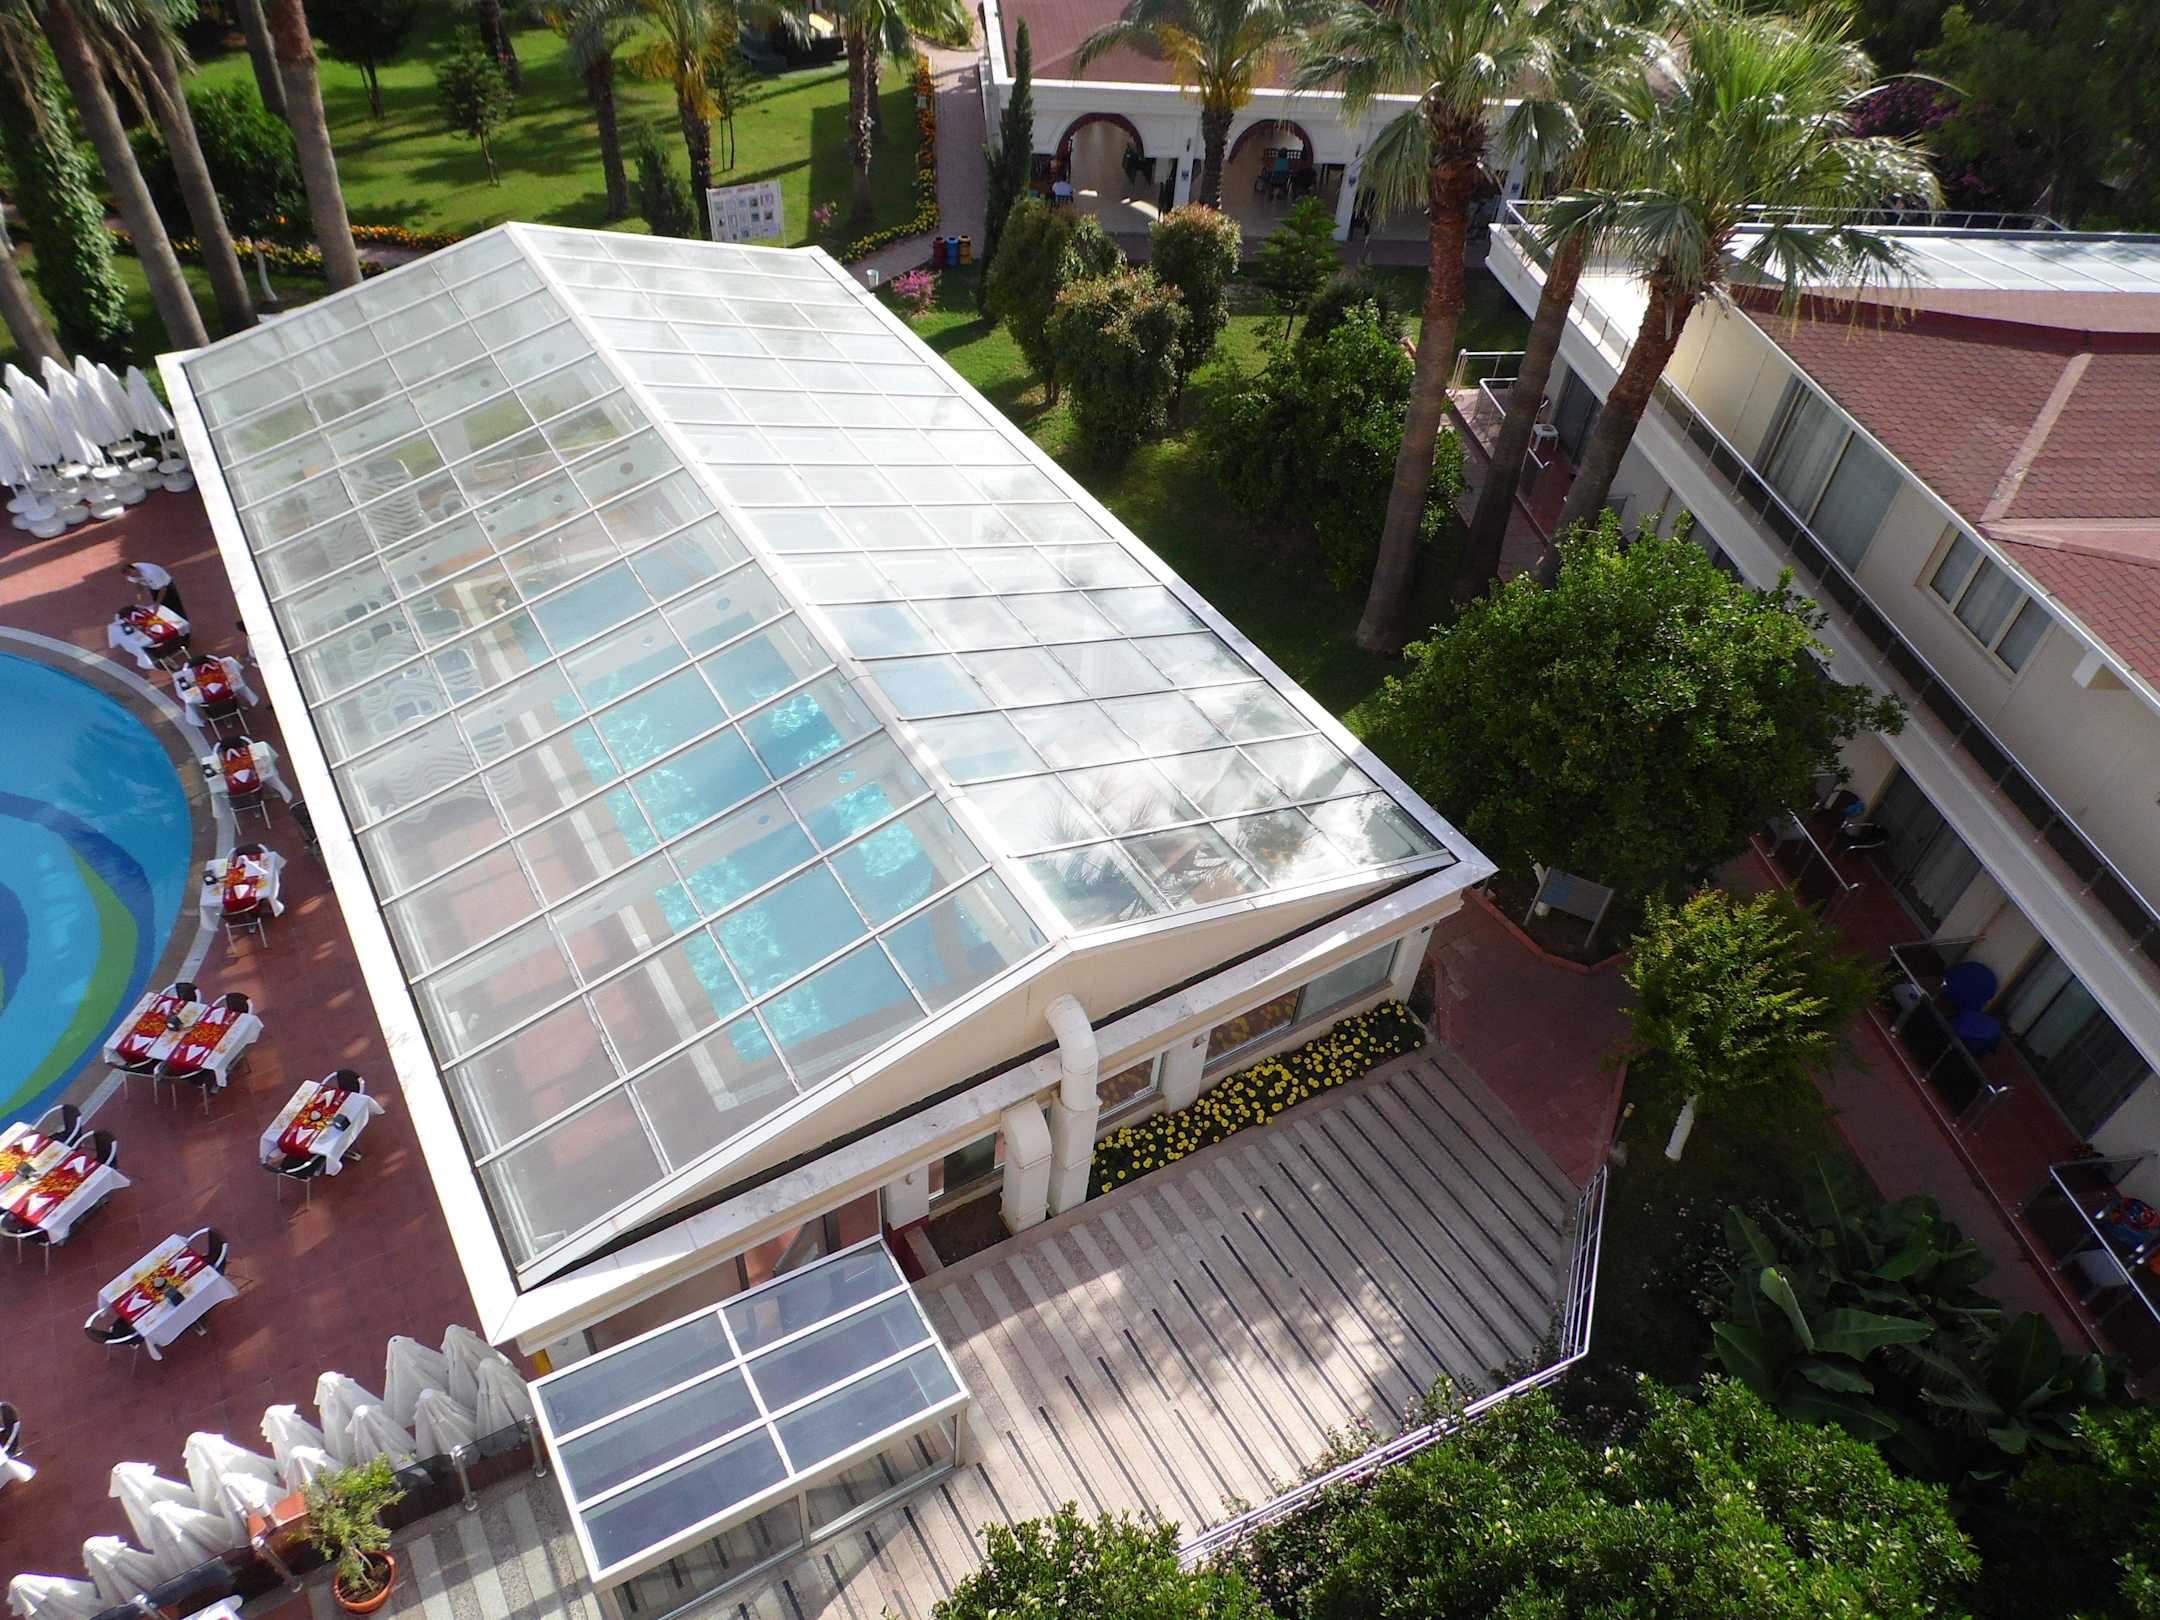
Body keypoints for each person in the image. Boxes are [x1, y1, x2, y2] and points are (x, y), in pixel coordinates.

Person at [174, 652, 260, 725]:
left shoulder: (191, 679)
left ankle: (203, 718)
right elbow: (239, 681)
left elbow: (188, 698)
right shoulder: (226, 666)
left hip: (212, 709)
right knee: (237, 684)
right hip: (232, 704)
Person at [207, 736, 295, 805]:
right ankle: (274, 793)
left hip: (235, 796)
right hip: (255, 787)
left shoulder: (226, 768)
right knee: (269, 774)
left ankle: (237, 803)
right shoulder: (248, 762)